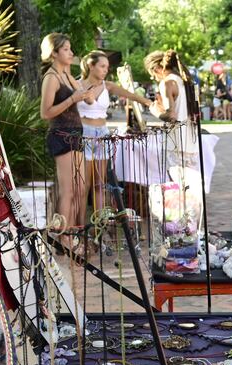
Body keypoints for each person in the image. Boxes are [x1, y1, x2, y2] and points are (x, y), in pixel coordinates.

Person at [77, 51, 152, 219]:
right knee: (84, 185)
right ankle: (80, 227)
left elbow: (129, 94)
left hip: (102, 134)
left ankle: (100, 228)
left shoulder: (107, 85)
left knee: (100, 184)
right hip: (85, 134)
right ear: (91, 65)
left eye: (107, 67)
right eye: (102, 66)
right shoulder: (77, 85)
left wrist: (148, 102)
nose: (105, 70)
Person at [40, 33, 95, 247]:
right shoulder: (51, 77)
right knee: (68, 190)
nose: (71, 53)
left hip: (76, 134)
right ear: (54, 53)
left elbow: (88, 100)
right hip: (61, 135)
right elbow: (45, 113)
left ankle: (71, 234)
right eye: (66, 50)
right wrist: (73, 98)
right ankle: (64, 238)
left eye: (71, 49)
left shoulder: (67, 75)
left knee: (80, 190)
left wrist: (87, 94)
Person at [144, 49, 199, 167]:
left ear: (156, 69)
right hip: (190, 143)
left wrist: (155, 111)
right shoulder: (185, 80)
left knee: (175, 184)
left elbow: (171, 116)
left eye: (151, 74)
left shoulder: (167, 83)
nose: (153, 78)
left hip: (175, 144)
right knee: (190, 183)